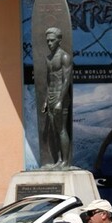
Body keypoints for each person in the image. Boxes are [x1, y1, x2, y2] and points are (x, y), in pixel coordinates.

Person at [40, 26, 73, 168]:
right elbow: (49, 81)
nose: (49, 43)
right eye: (48, 41)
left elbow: (66, 80)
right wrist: (46, 100)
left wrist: (60, 101)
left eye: (52, 40)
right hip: (52, 96)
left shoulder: (65, 57)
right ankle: (58, 160)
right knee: (54, 130)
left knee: (61, 129)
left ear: (59, 40)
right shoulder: (48, 58)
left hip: (62, 97)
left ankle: (65, 161)